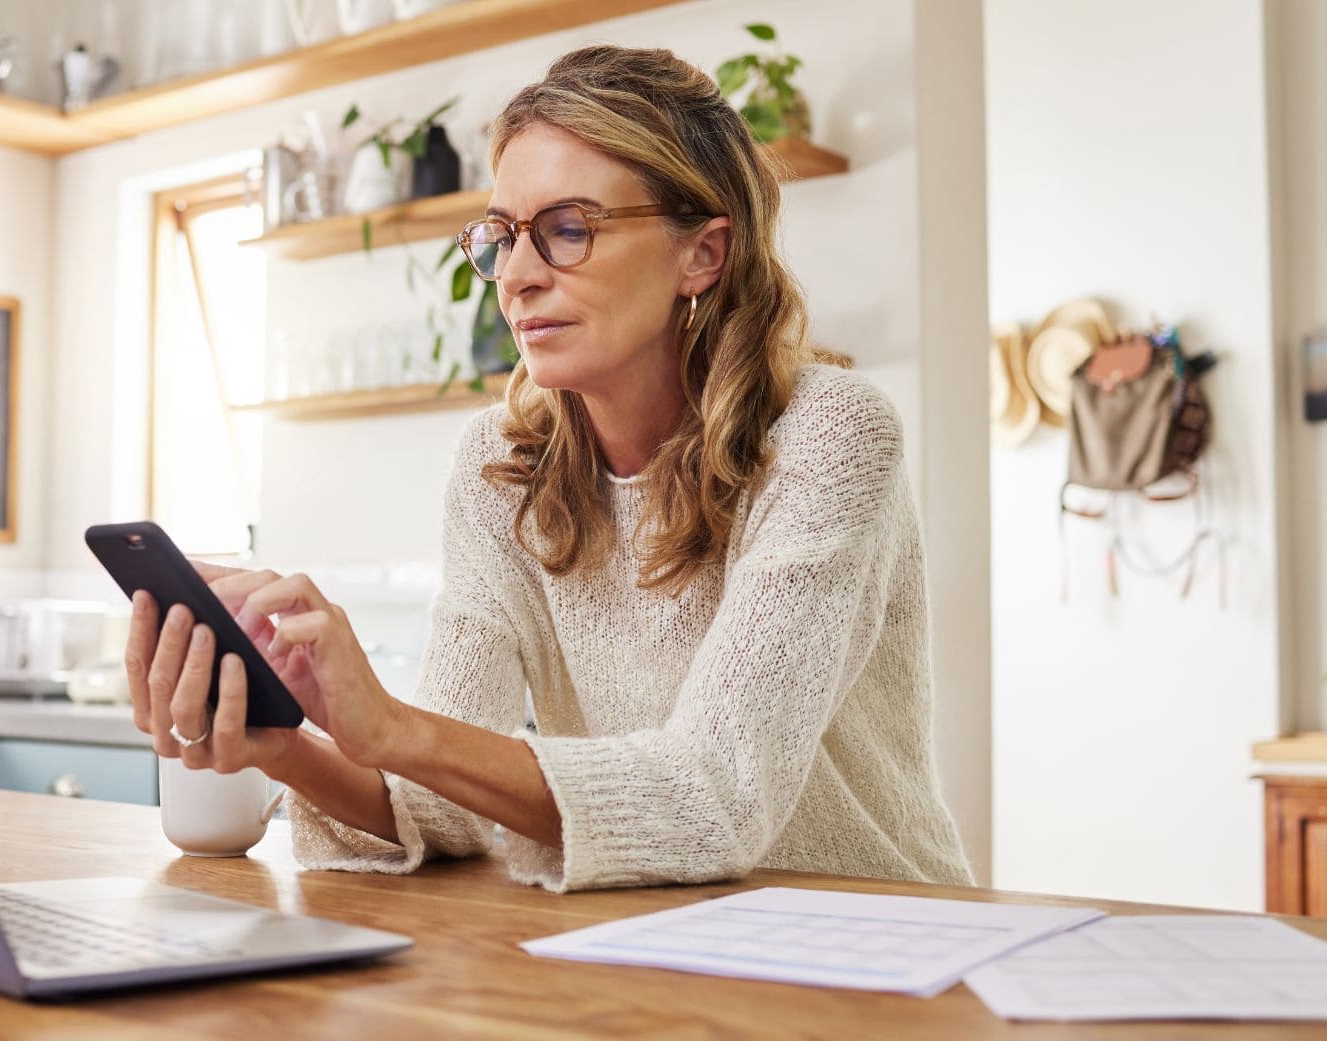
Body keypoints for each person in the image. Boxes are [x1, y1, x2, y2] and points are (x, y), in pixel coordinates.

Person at [125, 45, 973, 893]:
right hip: (661, 948)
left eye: (568, 230)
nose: (518, 277)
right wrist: (286, 740)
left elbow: (711, 797)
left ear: (703, 254)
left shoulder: (829, 435)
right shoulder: (502, 466)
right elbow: (445, 807)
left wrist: (386, 724)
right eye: (501, 236)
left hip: (882, 943)